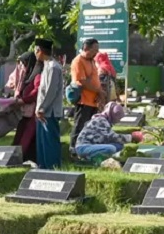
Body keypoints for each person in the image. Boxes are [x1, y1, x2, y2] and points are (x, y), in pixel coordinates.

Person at [33, 39, 63, 170]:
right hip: (43, 111)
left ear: (40, 50)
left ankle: (53, 168)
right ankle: (43, 167)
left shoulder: (53, 67)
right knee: (42, 143)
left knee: (50, 142)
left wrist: (41, 108)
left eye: (36, 50)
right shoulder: (46, 65)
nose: (35, 53)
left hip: (49, 112)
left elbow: (51, 90)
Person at [8, 50, 42, 162]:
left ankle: (19, 158)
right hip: (25, 112)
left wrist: (24, 100)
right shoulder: (27, 75)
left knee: (27, 137)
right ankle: (13, 157)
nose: (22, 66)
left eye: (24, 63)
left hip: (32, 112)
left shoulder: (37, 74)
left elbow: (37, 91)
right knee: (20, 135)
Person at [69, 39, 103, 146]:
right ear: (86, 48)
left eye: (98, 50)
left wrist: (98, 93)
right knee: (79, 127)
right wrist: (99, 91)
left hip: (93, 101)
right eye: (94, 50)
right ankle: (73, 149)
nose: (97, 53)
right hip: (83, 101)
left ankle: (85, 149)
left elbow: (93, 80)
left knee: (89, 128)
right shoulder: (78, 61)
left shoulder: (92, 61)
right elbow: (82, 82)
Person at [73, 101, 126, 165]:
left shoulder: (105, 121)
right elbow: (110, 137)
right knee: (111, 148)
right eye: (118, 117)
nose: (119, 120)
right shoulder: (101, 120)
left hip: (91, 145)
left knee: (119, 145)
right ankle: (90, 160)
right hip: (83, 147)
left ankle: (103, 158)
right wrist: (131, 137)